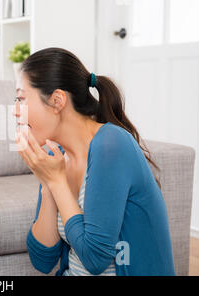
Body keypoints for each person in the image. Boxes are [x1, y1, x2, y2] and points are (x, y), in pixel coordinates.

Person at [15, 47, 175, 276]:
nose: (15, 111)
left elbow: (94, 258)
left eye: (21, 99)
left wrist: (57, 181)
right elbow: (43, 260)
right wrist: (48, 186)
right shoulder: (55, 156)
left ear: (57, 100)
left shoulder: (112, 144)